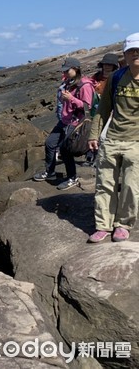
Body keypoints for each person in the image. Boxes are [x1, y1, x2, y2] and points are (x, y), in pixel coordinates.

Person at [87, 33, 139, 243]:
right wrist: (94, 134)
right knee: (104, 184)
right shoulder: (117, 78)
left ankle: (123, 225)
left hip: (136, 142)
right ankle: (103, 225)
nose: (135, 54)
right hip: (112, 139)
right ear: (124, 55)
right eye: (131, 51)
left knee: (131, 186)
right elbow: (103, 108)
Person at [33, 57, 95, 190]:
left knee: (65, 151)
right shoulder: (69, 82)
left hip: (75, 122)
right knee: (50, 143)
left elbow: (86, 107)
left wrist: (71, 98)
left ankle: (72, 177)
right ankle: (50, 172)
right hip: (64, 120)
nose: (65, 73)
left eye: (67, 70)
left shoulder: (85, 85)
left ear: (76, 69)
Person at [83, 54, 119, 165]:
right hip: (95, 108)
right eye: (105, 64)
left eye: (110, 65)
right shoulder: (96, 77)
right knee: (92, 132)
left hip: (110, 109)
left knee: (103, 135)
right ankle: (90, 156)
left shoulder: (116, 77)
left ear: (114, 66)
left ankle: (99, 158)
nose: (107, 67)